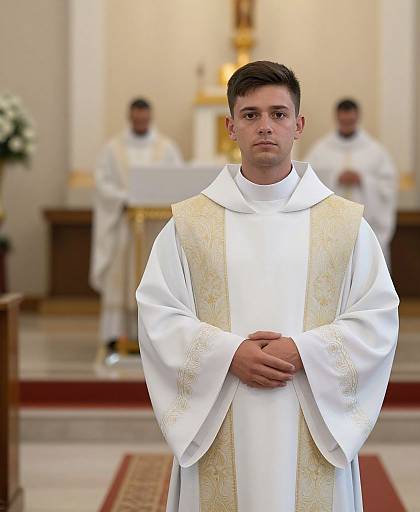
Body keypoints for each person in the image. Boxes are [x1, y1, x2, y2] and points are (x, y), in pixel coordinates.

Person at [137, 62, 399, 511]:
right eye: (251, 115)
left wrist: (304, 352)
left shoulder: (345, 225)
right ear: (230, 126)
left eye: (278, 114)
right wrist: (228, 354)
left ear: (298, 125)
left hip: (309, 415)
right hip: (222, 415)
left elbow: (377, 317)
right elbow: (158, 313)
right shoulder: (190, 225)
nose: (265, 127)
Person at [90, 97, 183, 356]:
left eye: (144, 117)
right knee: (120, 275)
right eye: (136, 117)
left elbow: (177, 181)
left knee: (154, 274)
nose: (140, 121)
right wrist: (123, 198)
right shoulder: (112, 148)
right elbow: (102, 183)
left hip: (155, 227)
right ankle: (115, 334)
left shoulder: (166, 148)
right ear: (130, 117)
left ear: (150, 117)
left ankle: (155, 334)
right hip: (124, 226)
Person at [306, 98, 397, 263]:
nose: (347, 124)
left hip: (366, 223)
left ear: (357, 118)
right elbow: (308, 181)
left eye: (350, 120)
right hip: (332, 227)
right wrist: (334, 177)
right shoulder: (320, 150)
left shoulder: (375, 151)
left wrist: (363, 180)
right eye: (343, 120)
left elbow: (388, 185)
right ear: (337, 118)